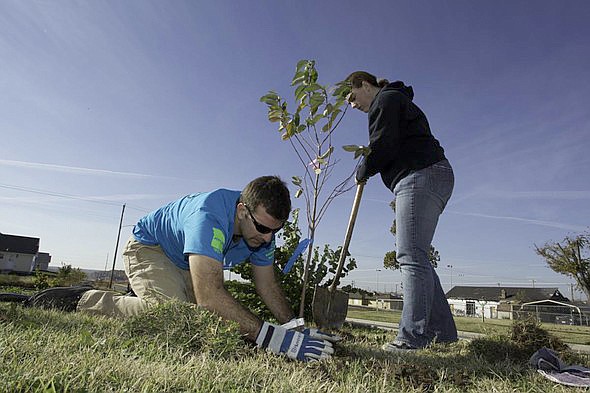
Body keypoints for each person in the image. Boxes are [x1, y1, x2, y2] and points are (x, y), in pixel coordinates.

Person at [21, 176, 338, 362]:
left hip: (188, 262)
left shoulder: (263, 232)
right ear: (242, 211)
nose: (267, 238)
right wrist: (270, 337)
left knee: (207, 320)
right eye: (261, 228)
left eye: (275, 231)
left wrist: (295, 326)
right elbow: (210, 297)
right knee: (179, 317)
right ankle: (83, 298)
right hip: (150, 249)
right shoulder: (209, 217)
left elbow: (268, 287)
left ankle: (146, 294)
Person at [345, 71, 458, 351]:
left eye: (352, 96)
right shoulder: (393, 100)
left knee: (409, 256)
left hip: (420, 175)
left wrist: (364, 168)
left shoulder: (387, 100)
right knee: (417, 257)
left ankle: (412, 338)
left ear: (364, 84)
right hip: (430, 175)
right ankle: (442, 334)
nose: (352, 104)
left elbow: (383, 145)